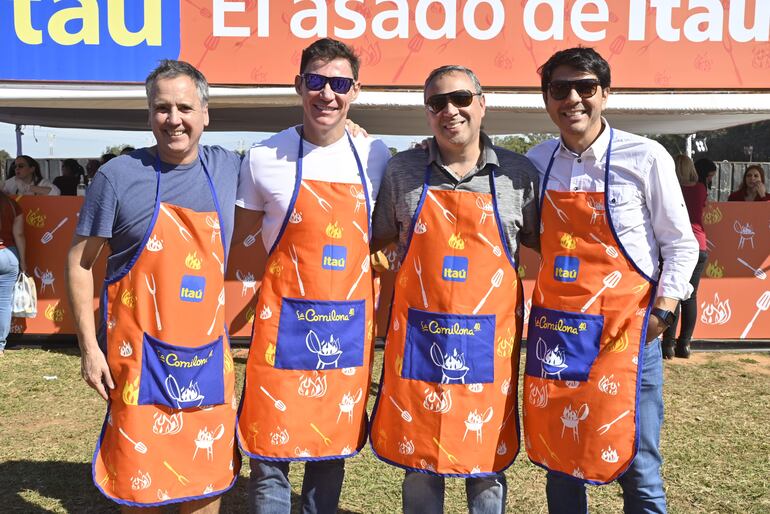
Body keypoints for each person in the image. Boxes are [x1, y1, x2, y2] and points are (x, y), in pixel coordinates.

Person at [525, 47, 698, 513]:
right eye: (560, 89)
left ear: (606, 93)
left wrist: (663, 311)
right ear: (547, 98)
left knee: (637, 462)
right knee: (562, 457)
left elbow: (681, 243)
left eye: (586, 87)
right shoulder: (534, 162)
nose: (573, 99)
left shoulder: (645, 156)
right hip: (559, 334)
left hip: (628, 332)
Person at [66, 60, 242, 512]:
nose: (174, 119)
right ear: (149, 116)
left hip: (204, 361)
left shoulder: (229, 168)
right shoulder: (118, 176)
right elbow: (80, 263)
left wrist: (351, 131)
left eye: (185, 107)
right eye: (162, 108)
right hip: (137, 364)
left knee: (205, 481)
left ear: (206, 114)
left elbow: (300, 151)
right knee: (140, 489)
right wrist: (89, 348)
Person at [369, 65, 539, 514]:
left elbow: (548, 243)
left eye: (461, 99)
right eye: (438, 102)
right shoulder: (400, 171)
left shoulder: (519, 175)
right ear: (428, 113)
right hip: (421, 345)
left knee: (485, 466)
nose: (450, 110)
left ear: (482, 104)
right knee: (421, 464)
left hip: (488, 346)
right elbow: (377, 238)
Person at [235, 38, 390, 514]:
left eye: (339, 83)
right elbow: (244, 247)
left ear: (355, 90)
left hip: (345, 330)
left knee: (331, 450)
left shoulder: (377, 155)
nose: (327, 94)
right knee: (269, 457)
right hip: (282, 326)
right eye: (317, 81)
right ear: (299, 84)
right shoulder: (263, 156)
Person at [662, 155, 711, 359]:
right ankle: (685, 345)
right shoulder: (701, 189)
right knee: (690, 297)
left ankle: (667, 346)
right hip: (699, 244)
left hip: (676, 245)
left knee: (672, 294)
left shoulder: (671, 188)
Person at [0, 191, 26, 356]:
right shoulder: (11, 204)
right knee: (3, 304)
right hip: (9, 256)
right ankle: (0, 346)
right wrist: (24, 262)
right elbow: (19, 235)